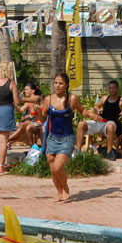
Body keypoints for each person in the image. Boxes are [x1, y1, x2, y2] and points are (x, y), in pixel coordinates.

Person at [37, 73, 90, 203]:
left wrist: (93, 115)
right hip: (52, 138)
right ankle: (59, 192)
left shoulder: (72, 98)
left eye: (60, 83)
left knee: (58, 167)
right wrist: (38, 112)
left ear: (66, 85)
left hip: (67, 138)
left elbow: (82, 111)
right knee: (53, 171)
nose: (57, 86)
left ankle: (65, 187)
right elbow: (44, 119)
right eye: (55, 83)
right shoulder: (48, 99)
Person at [75, 80, 122, 161]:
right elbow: (96, 105)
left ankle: (109, 152)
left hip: (111, 122)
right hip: (101, 121)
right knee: (81, 124)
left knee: (110, 126)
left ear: (117, 88)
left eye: (114, 88)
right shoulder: (105, 98)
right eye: (110, 88)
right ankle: (78, 151)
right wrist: (97, 109)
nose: (111, 90)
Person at [8, 82, 43, 147]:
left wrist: (16, 92)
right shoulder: (28, 102)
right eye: (25, 90)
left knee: (25, 123)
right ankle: (9, 140)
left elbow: (22, 99)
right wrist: (15, 105)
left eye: (27, 90)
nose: (25, 91)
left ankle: (8, 140)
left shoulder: (37, 98)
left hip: (40, 122)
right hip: (33, 123)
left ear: (33, 91)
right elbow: (20, 111)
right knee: (24, 125)